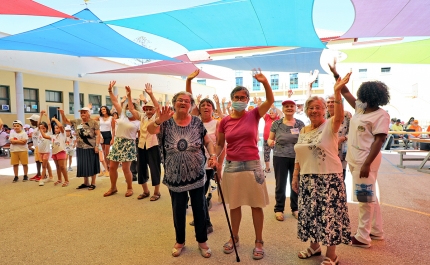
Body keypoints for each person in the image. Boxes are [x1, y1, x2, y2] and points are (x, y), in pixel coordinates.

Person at [292, 73, 352, 265]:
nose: (314, 110)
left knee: (329, 215)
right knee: (311, 213)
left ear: (326, 109)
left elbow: (340, 115)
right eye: (311, 108)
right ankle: (314, 246)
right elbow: (299, 155)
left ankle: (332, 254)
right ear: (306, 111)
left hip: (329, 179)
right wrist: (295, 176)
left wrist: (337, 91)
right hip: (308, 178)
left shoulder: (330, 126)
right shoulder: (303, 130)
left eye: (318, 107)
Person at [147, 92, 216, 259]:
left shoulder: (197, 122)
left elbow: (207, 141)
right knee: (178, 209)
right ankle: (180, 241)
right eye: (180, 100)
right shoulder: (165, 122)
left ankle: (202, 241)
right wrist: (158, 120)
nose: (183, 103)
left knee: (200, 208)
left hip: (197, 173)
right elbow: (150, 129)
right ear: (174, 103)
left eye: (187, 101)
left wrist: (213, 155)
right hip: (174, 174)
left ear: (191, 105)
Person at [215, 69, 273, 260]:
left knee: (256, 205)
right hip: (231, 166)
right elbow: (220, 144)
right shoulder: (224, 122)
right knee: (235, 205)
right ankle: (234, 237)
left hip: (252, 165)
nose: (240, 99)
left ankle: (259, 241)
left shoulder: (254, 114)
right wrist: (215, 160)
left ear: (247, 100)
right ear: (231, 99)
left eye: (243, 97)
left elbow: (270, 101)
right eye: (237, 97)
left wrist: (264, 82)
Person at [340, 79, 390, 249]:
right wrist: (336, 75)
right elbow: (346, 93)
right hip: (355, 158)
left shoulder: (381, 115)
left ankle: (363, 236)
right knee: (371, 196)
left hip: (365, 161)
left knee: (364, 198)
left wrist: (367, 164)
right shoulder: (361, 109)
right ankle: (376, 230)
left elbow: (379, 140)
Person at [267, 100, 305, 221]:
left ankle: (295, 208)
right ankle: (279, 209)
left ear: (295, 108)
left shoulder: (300, 124)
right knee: (280, 183)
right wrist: (270, 143)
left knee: (295, 183)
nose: (289, 108)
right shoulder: (276, 123)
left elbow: (304, 139)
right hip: (280, 157)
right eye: (286, 106)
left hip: (297, 158)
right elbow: (269, 139)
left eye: (291, 106)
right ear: (282, 109)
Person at [103, 81, 141, 198]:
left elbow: (141, 135)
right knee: (112, 167)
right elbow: (114, 101)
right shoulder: (123, 115)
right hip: (118, 142)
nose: (129, 110)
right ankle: (113, 187)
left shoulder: (139, 121)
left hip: (129, 143)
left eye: (132, 108)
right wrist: (110, 90)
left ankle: (130, 188)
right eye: (128, 108)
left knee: (126, 168)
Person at [59, 106, 101, 191]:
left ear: (89, 113)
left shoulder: (94, 122)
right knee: (83, 164)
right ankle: (86, 182)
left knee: (92, 164)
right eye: (81, 112)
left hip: (91, 146)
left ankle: (93, 183)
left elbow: (98, 135)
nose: (82, 114)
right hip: (80, 146)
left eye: (84, 112)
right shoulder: (77, 122)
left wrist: (97, 146)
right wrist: (62, 114)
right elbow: (66, 121)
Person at [136, 83, 162, 201]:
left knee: (154, 168)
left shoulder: (156, 117)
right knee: (141, 168)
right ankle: (145, 191)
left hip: (153, 146)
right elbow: (131, 109)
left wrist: (150, 94)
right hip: (141, 145)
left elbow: (157, 107)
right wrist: (130, 96)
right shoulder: (143, 117)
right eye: (146, 109)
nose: (148, 110)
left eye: (150, 108)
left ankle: (157, 192)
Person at [326, 95, 351, 181]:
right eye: (328, 102)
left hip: (341, 150)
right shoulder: (324, 116)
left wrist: (343, 138)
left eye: (333, 101)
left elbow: (352, 131)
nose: (330, 104)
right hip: (327, 151)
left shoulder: (346, 114)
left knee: (340, 178)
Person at [40, 115, 69, 187]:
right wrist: (40, 129)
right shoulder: (53, 136)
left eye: (57, 128)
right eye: (55, 128)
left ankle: (66, 180)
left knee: (62, 166)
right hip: (54, 152)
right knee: (57, 166)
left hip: (61, 151)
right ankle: (59, 179)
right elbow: (44, 136)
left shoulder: (62, 134)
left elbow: (61, 126)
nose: (56, 129)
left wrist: (55, 119)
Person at [36, 111, 54, 186]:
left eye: (44, 128)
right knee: (47, 164)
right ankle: (51, 176)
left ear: (46, 128)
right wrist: (40, 115)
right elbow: (38, 123)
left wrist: (46, 116)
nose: (42, 129)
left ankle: (42, 179)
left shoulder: (48, 133)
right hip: (40, 151)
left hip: (46, 151)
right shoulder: (39, 132)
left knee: (44, 166)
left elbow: (49, 124)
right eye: (41, 128)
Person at [263, 107, 280, 173]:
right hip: (266, 139)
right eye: (270, 113)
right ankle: (267, 168)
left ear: (276, 113)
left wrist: (274, 107)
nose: (271, 114)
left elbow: (281, 113)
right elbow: (263, 112)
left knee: (277, 154)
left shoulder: (278, 118)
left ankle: (278, 167)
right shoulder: (267, 117)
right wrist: (258, 104)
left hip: (276, 140)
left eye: (273, 113)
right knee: (266, 153)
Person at [97, 105, 114, 174]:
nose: (103, 111)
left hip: (108, 134)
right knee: (103, 152)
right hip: (101, 135)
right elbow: (90, 119)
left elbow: (113, 129)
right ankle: (106, 167)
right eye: (101, 110)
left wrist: (113, 138)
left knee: (107, 152)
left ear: (107, 110)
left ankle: (110, 165)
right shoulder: (100, 118)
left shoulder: (111, 118)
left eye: (104, 109)